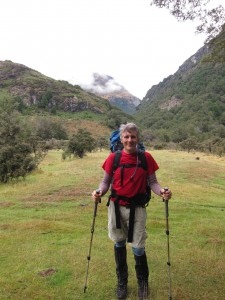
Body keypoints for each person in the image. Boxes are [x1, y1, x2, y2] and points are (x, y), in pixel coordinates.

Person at [92, 123, 172, 300]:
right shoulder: (113, 158)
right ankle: (122, 283)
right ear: (121, 139)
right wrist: (98, 192)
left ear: (138, 138)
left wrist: (162, 193)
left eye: (133, 137)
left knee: (138, 247)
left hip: (138, 208)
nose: (130, 140)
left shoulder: (146, 158)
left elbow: (153, 182)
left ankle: (143, 283)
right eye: (126, 137)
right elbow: (105, 182)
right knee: (119, 243)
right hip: (116, 207)